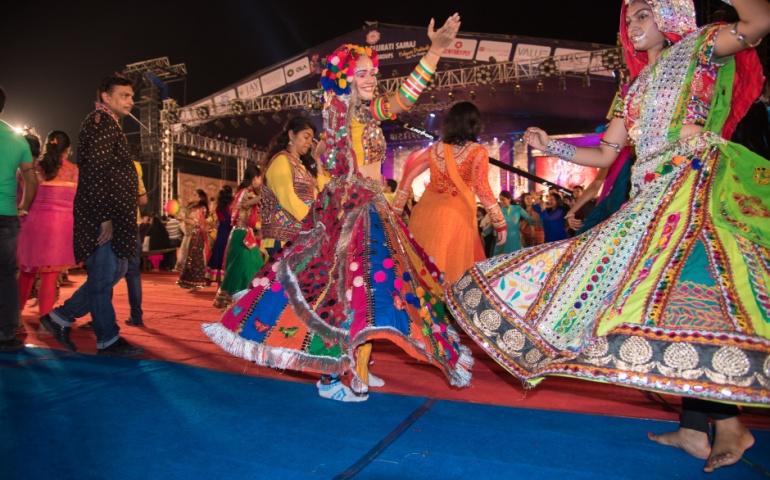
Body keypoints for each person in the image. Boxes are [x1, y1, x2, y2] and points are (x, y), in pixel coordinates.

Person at [446, 0, 770, 472]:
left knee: (696, 296)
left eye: (644, 14)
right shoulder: (632, 88)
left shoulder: (701, 47)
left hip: (694, 185)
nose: (633, 26)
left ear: (670, 14)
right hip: (651, 196)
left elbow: (758, 21)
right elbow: (605, 154)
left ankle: (727, 425)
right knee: (659, 301)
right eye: (629, 19)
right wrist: (549, 146)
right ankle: (695, 428)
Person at [204, 14, 472, 402]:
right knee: (344, 294)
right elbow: (394, 103)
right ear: (345, 78)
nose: (370, 79)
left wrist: (435, 51)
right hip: (351, 212)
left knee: (374, 289)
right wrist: (433, 52)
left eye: (372, 73)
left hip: (371, 209)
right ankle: (331, 376)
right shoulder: (344, 113)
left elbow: (397, 102)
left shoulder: (361, 112)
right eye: (361, 73)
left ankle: (360, 365)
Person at [40, 74, 143, 357]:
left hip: (113, 214)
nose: (130, 101)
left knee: (117, 270)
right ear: (105, 96)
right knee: (103, 275)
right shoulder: (100, 123)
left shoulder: (110, 124)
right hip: (102, 214)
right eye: (124, 95)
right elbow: (96, 172)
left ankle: (58, 318)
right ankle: (107, 339)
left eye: (132, 96)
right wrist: (105, 216)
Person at [394, 101, 507, 283]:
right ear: (474, 123)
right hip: (455, 217)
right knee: (452, 280)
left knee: (421, 278)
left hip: (423, 215)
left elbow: (407, 178)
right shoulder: (477, 152)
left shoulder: (435, 149)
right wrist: (499, 222)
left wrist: (395, 213)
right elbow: (482, 188)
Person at [17, 131, 78, 320]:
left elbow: (22, 195)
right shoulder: (74, 170)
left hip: (33, 225)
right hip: (60, 228)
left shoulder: (34, 168)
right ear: (68, 149)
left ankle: (13, 319)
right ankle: (45, 322)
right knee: (50, 277)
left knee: (26, 273)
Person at [0, 87, 37, 351]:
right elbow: (31, 179)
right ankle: (6, 332)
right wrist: (23, 205)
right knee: (6, 275)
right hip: (7, 216)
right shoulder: (16, 140)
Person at [258, 117, 324, 261]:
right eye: (306, 137)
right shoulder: (281, 161)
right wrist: (314, 220)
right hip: (282, 239)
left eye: (311, 139)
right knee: (283, 283)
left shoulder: (302, 167)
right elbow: (288, 199)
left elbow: (322, 191)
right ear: (291, 135)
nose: (309, 143)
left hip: (299, 237)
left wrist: (317, 159)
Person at [213, 165, 266, 309]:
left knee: (241, 267)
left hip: (240, 234)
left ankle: (235, 300)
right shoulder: (247, 193)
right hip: (243, 235)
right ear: (255, 178)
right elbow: (248, 214)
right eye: (260, 178)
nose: (260, 181)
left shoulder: (240, 191)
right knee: (249, 267)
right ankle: (244, 300)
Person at [177, 189, 210, 289]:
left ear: (200, 197)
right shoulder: (191, 207)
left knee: (196, 257)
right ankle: (187, 280)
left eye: (195, 194)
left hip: (198, 235)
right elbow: (185, 219)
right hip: (190, 234)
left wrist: (186, 219)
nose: (192, 195)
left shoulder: (202, 208)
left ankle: (197, 281)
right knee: (189, 256)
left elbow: (199, 222)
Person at [206, 185, 234, 284]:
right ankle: (226, 280)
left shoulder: (219, 207)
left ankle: (216, 279)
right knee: (227, 254)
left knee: (218, 253)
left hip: (221, 232)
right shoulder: (232, 206)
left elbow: (217, 220)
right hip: (230, 232)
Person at [493, 190, 532, 255]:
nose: (501, 202)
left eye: (503, 199)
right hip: (503, 239)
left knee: (515, 258)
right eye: (500, 200)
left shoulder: (517, 208)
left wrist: (523, 226)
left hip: (515, 239)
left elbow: (528, 218)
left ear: (509, 199)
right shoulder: (499, 211)